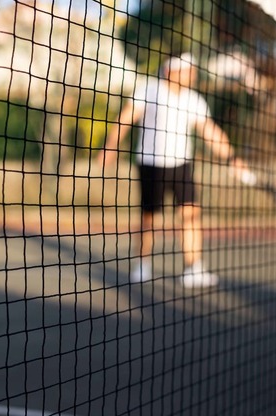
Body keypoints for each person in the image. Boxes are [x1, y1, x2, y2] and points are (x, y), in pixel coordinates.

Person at [97, 53, 254, 288]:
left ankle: (193, 268)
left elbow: (210, 131)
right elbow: (126, 118)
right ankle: (142, 264)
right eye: (187, 70)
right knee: (148, 217)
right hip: (151, 163)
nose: (192, 74)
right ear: (171, 71)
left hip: (181, 164)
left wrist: (233, 158)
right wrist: (110, 147)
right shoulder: (149, 89)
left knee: (191, 214)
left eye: (192, 70)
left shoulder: (194, 100)